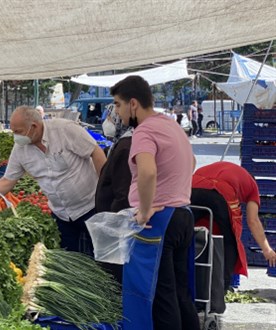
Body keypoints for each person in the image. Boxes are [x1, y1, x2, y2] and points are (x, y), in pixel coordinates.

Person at [112, 76, 198, 330]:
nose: (117, 111)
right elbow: (191, 163)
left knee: (160, 296)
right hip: (182, 214)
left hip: (159, 221)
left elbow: (147, 172)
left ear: (134, 104)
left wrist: (145, 211)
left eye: (118, 104)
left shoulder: (144, 131)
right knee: (180, 291)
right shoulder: (170, 125)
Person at [0, 106, 107, 254]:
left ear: (34, 126)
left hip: (90, 207)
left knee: (101, 256)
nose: (15, 137)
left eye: (18, 132)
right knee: (72, 262)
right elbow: (7, 181)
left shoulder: (65, 130)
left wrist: (105, 191)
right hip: (61, 215)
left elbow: (96, 152)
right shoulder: (19, 149)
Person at [191, 161, 276, 291]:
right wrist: (267, 249)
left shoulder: (225, 167)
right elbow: (253, 220)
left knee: (186, 233)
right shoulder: (252, 186)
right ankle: (221, 289)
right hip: (219, 192)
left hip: (191, 187)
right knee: (230, 242)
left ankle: (184, 284)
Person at [96, 106, 133, 284]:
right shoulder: (121, 143)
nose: (107, 122)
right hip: (117, 221)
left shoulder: (126, 146)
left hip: (118, 225)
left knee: (116, 276)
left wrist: (112, 222)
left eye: (111, 117)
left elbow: (123, 192)